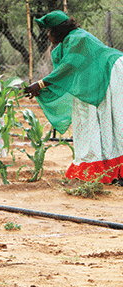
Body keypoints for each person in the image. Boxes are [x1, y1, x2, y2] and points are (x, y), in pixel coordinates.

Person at [24, 10, 123, 184]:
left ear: (59, 30)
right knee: (100, 123)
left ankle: (97, 172)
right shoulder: (68, 43)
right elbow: (64, 76)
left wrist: (39, 84)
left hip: (110, 75)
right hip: (96, 81)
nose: (48, 35)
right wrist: (43, 88)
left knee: (110, 123)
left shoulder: (78, 39)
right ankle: (107, 171)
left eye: (50, 30)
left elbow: (67, 69)